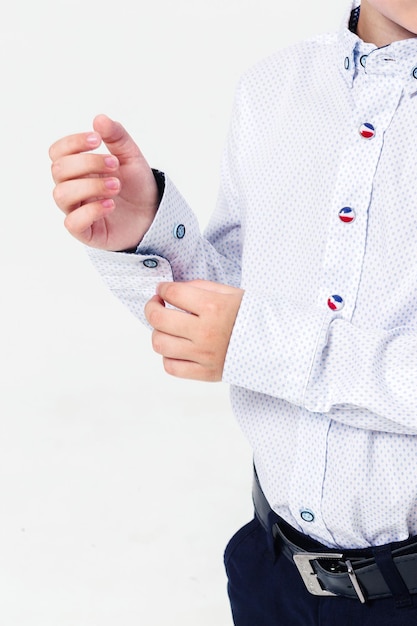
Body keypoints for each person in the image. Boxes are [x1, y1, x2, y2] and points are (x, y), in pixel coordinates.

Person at [49, 0, 417, 623]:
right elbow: (237, 317)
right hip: (270, 572)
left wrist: (258, 341)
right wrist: (151, 238)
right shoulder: (273, 87)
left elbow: (253, 338)